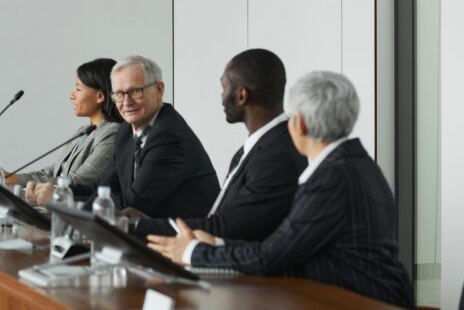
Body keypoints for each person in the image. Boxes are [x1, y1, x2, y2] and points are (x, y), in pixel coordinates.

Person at [148, 71, 414, 309]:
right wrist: (218, 243)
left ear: (299, 123)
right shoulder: (355, 162)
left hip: (363, 301)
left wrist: (192, 252)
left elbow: (272, 257)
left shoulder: (331, 177)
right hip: (370, 295)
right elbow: (288, 247)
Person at [132, 49, 306, 241]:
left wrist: (137, 226)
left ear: (241, 96)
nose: (222, 96)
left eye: (224, 88)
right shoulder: (262, 145)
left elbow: (226, 227)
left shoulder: (276, 156)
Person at [73, 55, 219, 218]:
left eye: (135, 91)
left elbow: (132, 205)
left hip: (185, 237)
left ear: (159, 89)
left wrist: (70, 205)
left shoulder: (168, 136)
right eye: (119, 94)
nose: (126, 102)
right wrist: (59, 193)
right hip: (144, 231)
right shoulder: (126, 131)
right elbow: (103, 187)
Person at [0, 58, 122, 205]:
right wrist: (6, 177)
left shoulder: (112, 133)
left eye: (78, 89)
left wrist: (13, 181)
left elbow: (77, 181)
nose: (72, 95)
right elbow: (50, 174)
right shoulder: (83, 131)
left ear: (100, 96)